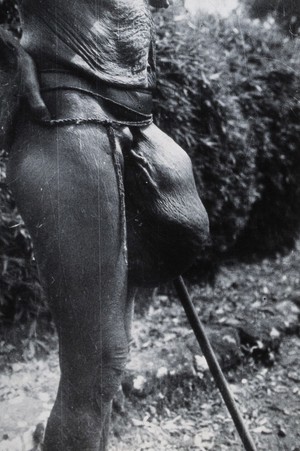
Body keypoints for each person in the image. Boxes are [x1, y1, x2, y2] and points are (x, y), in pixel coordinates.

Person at [1, 0, 209, 449]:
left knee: (105, 372)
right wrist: (10, 53)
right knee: (96, 370)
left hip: (130, 124)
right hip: (66, 119)